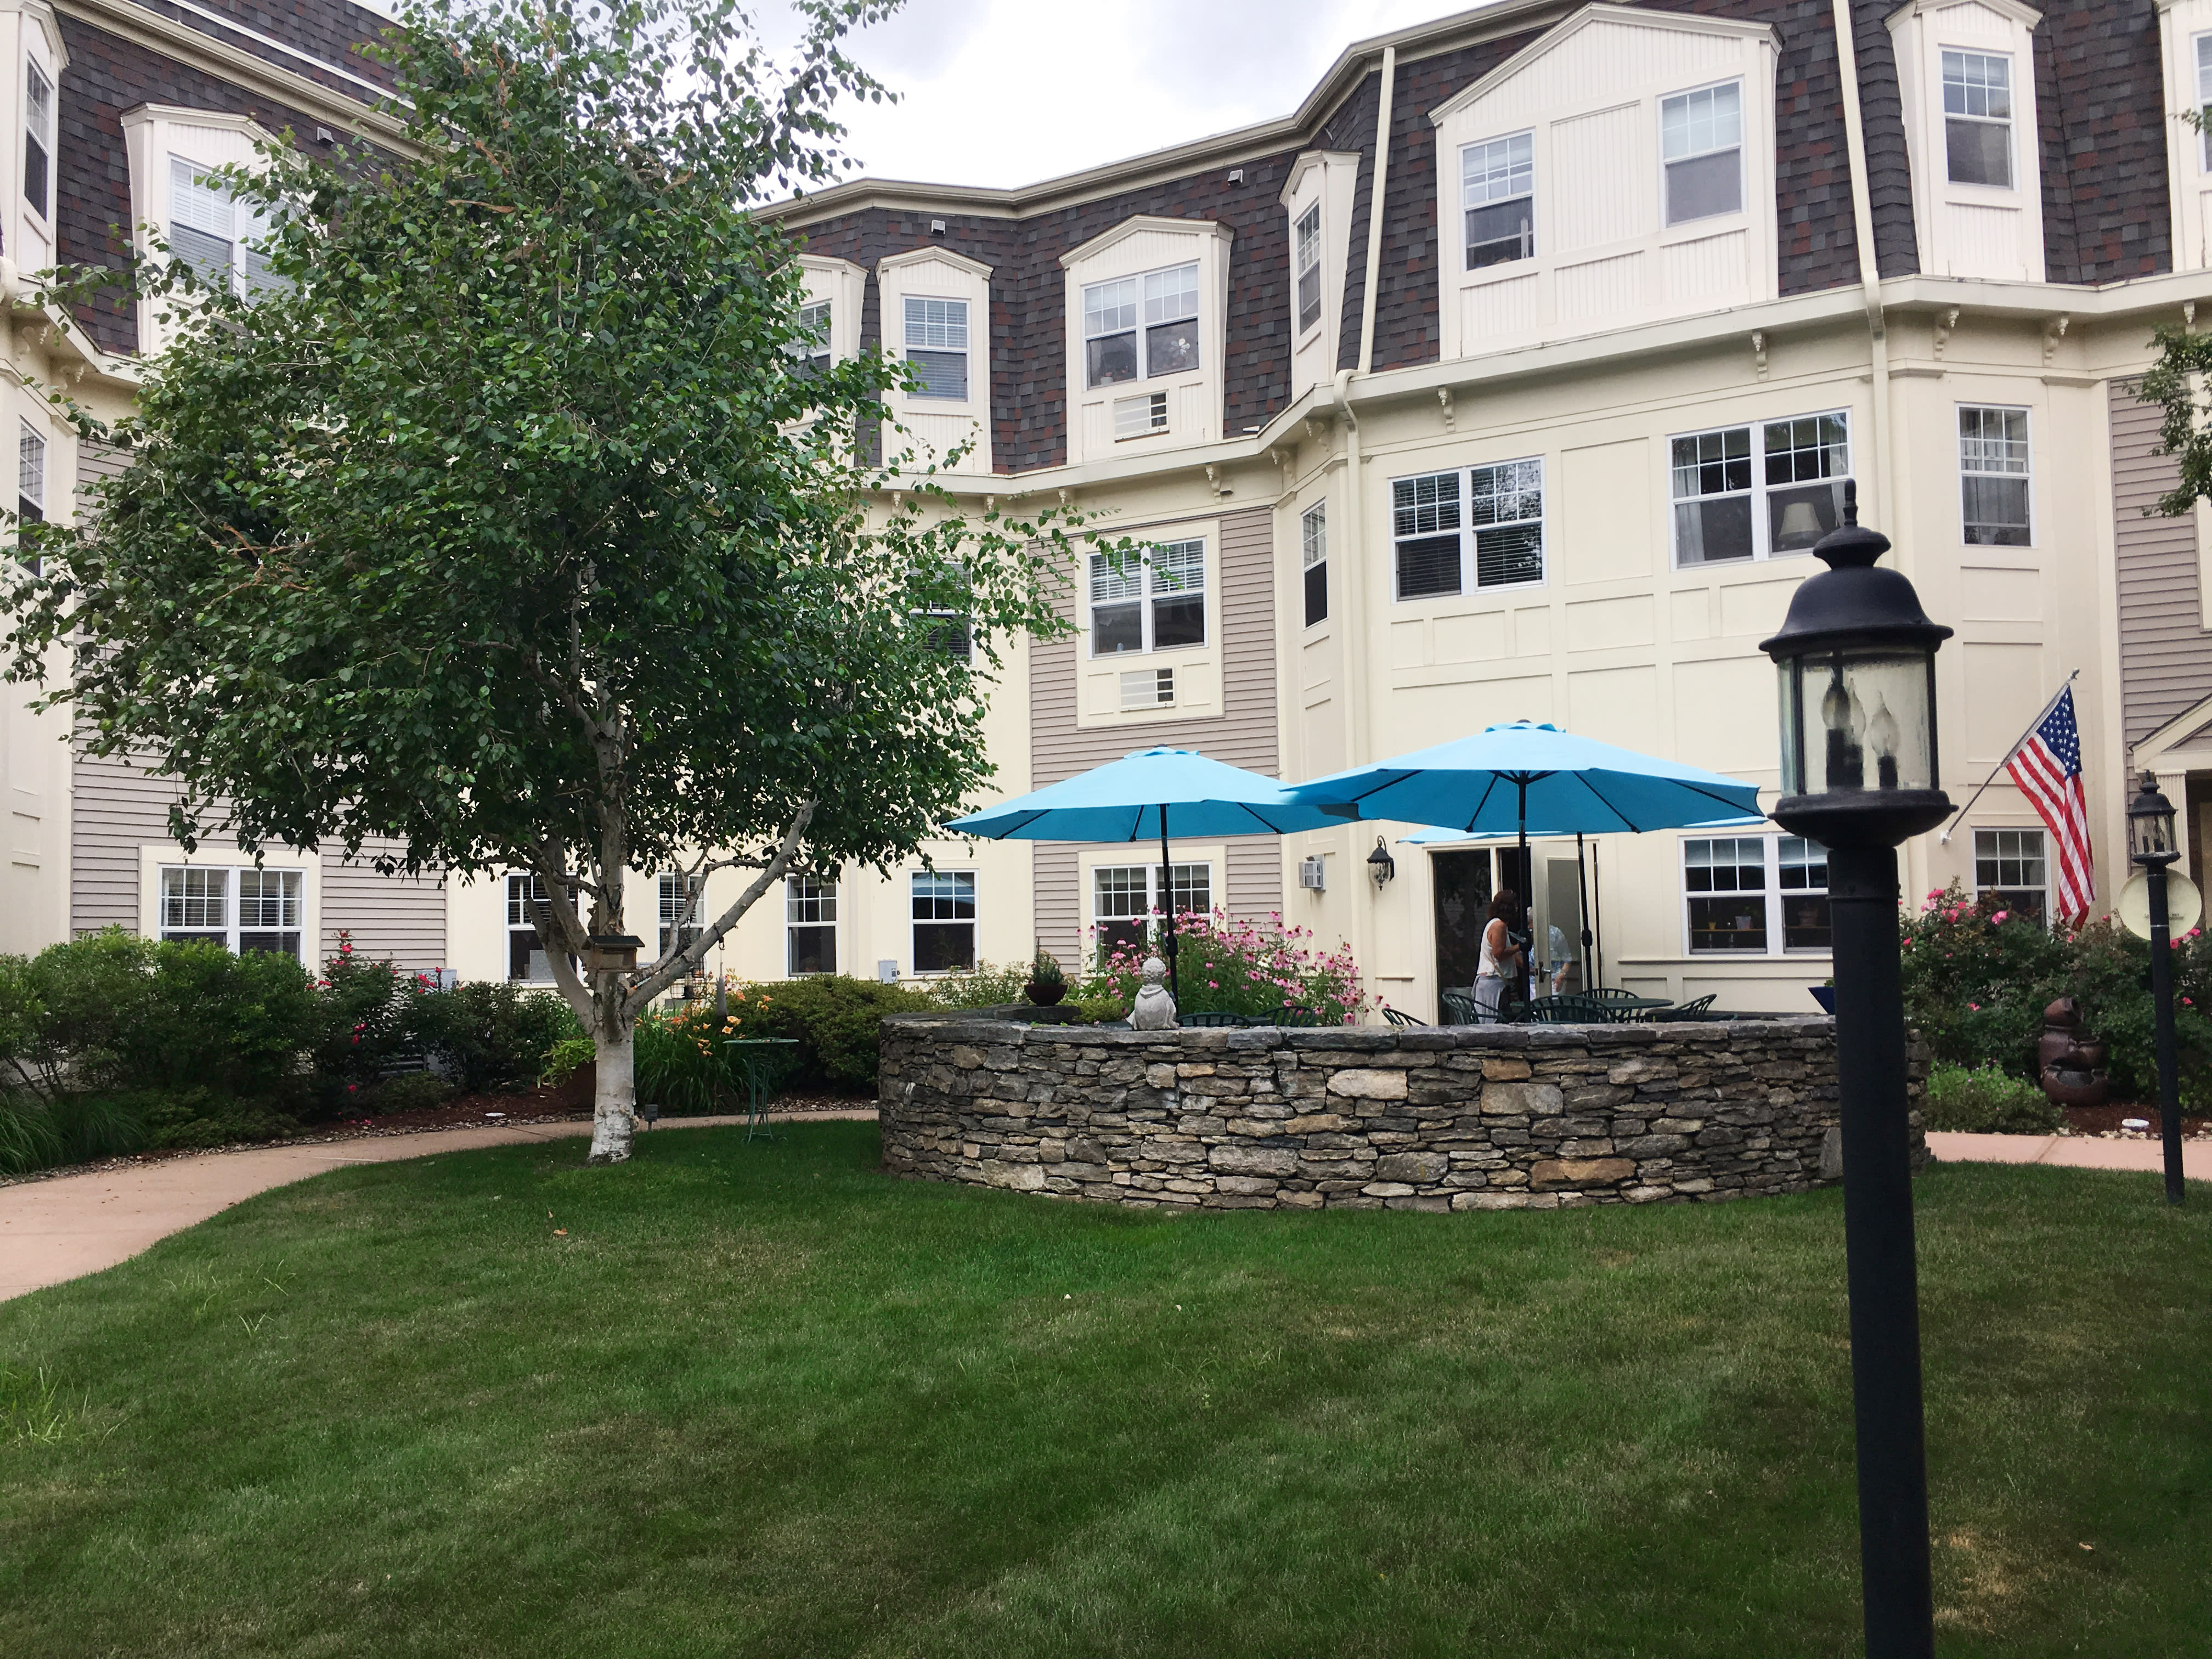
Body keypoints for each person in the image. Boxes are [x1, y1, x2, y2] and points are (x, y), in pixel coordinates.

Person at [1474, 889, 1524, 1022]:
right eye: (1515, 905)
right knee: (1498, 1023)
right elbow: (1499, 954)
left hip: (1491, 982)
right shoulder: (1499, 926)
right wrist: (1520, 946)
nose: (1517, 908)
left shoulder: (1495, 924)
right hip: (1494, 983)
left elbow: (1509, 955)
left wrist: (1529, 969)